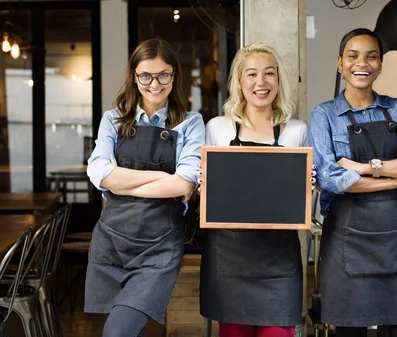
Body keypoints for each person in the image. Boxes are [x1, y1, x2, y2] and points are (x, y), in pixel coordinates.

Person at [309, 28, 397, 337]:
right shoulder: (324, 115)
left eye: (371, 56)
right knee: (350, 330)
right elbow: (330, 179)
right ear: (340, 63)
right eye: (352, 56)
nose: (361, 63)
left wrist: (368, 168)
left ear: (380, 64)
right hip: (348, 244)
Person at [85, 38, 204, 337]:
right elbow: (99, 172)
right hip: (112, 242)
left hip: (160, 248)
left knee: (117, 333)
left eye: (163, 74)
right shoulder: (112, 120)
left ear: (174, 76)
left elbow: (185, 181)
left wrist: (122, 183)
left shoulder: (190, 123)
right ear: (134, 76)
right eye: (146, 75)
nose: (155, 83)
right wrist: (163, 180)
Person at [199, 42, 314, 337]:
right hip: (230, 259)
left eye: (269, 73)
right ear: (239, 81)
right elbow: (210, 192)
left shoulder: (297, 131)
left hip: (279, 262)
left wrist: (309, 184)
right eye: (251, 74)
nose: (260, 82)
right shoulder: (217, 128)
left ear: (278, 80)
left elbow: (300, 197)